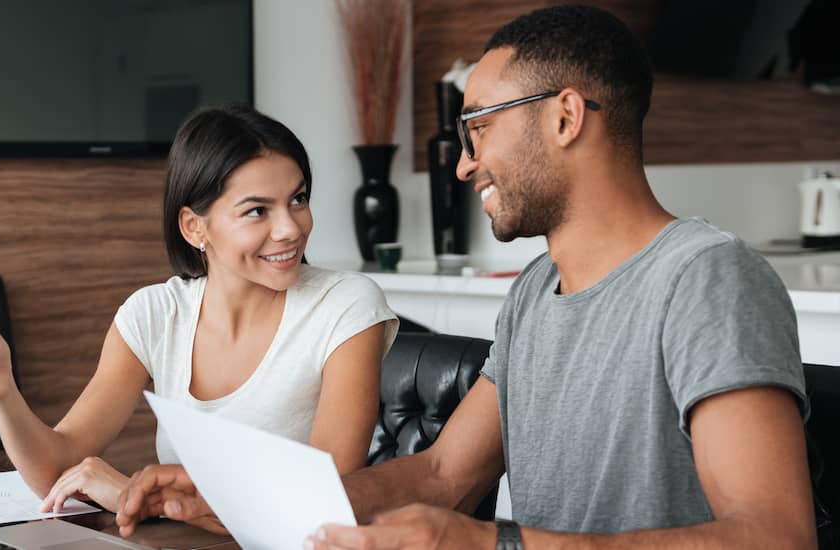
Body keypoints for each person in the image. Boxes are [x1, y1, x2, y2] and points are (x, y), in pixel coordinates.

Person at [115, 6, 818, 549]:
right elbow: (443, 473)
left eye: (476, 127)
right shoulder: (535, 294)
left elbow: (774, 536)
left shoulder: (707, 280)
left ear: (566, 117)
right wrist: (246, 498)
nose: (461, 164)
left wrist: (494, 541)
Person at [0, 105, 399, 515]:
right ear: (195, 227)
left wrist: (148, 498)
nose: (290, 228)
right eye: (258, 211)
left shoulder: (346, 306)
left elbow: (322, 498)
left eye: (298, 199)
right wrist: (2, 394)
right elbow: (59, 468)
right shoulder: (155, 315)